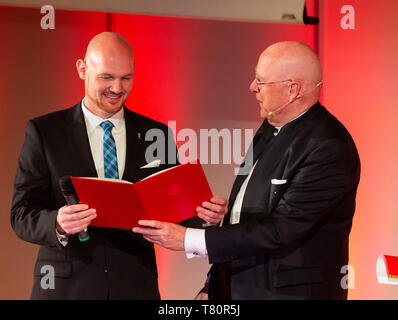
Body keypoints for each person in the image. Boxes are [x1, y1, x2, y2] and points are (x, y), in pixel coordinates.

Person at [133, 41, 361, 300]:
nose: (252, 88)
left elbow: (280, 229)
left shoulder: (329, 148)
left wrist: (189, 239)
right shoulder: (270, 126)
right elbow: (247, 216)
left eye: (261, 81)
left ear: (292, 90)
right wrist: (213, 283)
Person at [11, 32, 227, 300]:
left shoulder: (155, 133)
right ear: (82, 69)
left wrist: (206, 216)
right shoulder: (45, 132)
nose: (117, 88)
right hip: (66, 289)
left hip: (135, 285)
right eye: (106, 77)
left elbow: (177, 209)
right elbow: (21, 214)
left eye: (126, 78)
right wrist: (57, 222)